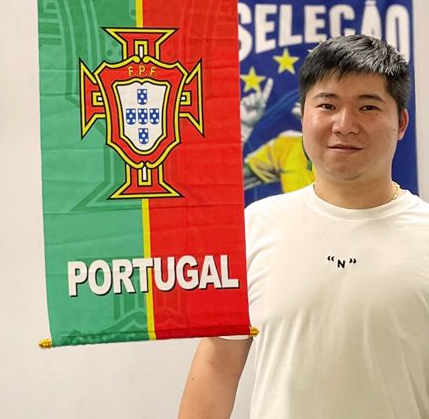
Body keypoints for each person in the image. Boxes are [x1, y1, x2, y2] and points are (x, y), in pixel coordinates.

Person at [178, 34, 429, 419]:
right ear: (303, 114)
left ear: (401, 122)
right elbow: (217, 365)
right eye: (328, 105)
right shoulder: (254, 227)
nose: (344, 125)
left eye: (368, 107)